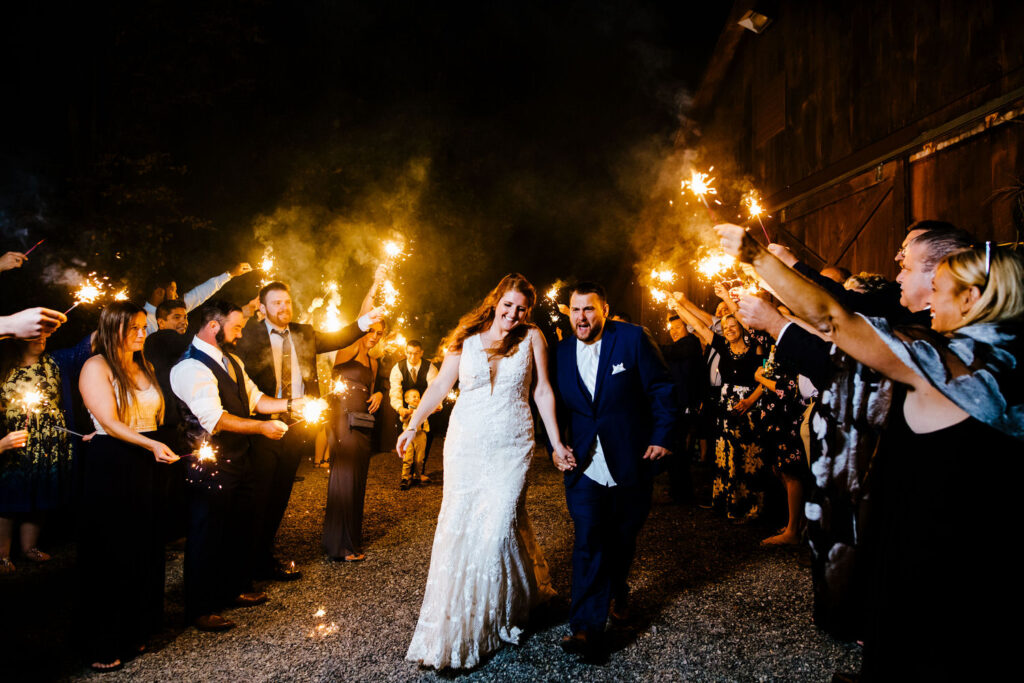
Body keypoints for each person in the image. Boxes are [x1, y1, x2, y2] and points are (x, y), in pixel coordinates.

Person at [717, 224, 1024, 680]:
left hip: (931, 545)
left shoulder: (944, 364)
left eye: (939, 289)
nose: (930, 301)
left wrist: (756, 256)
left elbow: (835, 321)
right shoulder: (1007, 358)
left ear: (971, 298)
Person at [398, 273, 569, 669]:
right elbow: (440, 386)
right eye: (508, 305)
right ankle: (466, 621)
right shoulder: (466, 340)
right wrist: (412, 424)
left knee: (498, 528)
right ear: (496, 302)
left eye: (521, 309)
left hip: (513, 443)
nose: (513, 314)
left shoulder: (532, 338)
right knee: (462, 527)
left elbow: (543, 390)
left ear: (528, 311)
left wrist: (556, 442)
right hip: (466, 445)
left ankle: (503, 610)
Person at [551, 282, 676, 663]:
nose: (581, 318)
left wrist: (662, 435)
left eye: (589, 310)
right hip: (584, 465)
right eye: (575, 310)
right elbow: (552, 405)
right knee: (588, 540)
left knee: (622, 539)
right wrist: (555, 447)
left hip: (630, 459)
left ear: (605, 310)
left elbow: (662, 388)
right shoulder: (561, 352)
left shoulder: (634, 339)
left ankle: (618, 588)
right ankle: (586, 629)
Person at [234, 279, 381, 581]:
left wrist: (366, 321)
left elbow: (340, 338)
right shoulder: (247, 337)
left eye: (286, 302)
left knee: (279, 496)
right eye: (276, 303)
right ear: (262, 308)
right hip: (262, 426)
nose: (284, 307)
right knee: (257, 498)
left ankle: (264, 558)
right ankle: (242, 566)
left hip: (296, 427)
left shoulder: (304, 333)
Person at [170, 300, 303, 632]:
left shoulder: (232, 361)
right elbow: (214, 419)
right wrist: (263, 428)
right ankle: (199, 608)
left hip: (240, 458)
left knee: (237, 528)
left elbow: (255, 399)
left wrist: (291, 405)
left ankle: (231, 589)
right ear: (214, 326)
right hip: (208, 464)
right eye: (237, 327)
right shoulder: (190, 367)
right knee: (206, 532)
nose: (242, 334)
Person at [77, 302, 180, 672]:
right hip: (114, 463)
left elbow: (151, 415)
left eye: (143, 326)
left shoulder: (144, 365)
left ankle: (138, 626)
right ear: (113, 329)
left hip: (146, 463)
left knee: (145, 546)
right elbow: (109, 420)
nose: (142, 333)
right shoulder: (96, 366)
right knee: (112, 550)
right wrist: (149, 444)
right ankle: (104, 640)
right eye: (134, 328)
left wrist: (156, 444)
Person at [0, 336, 73, 573]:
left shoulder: (55, 361)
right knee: (9, 498)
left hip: (49, 442)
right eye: (34, 334)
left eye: (43, 334)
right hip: (14, 441)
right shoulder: (4, 367)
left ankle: (29, 547)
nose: (40, 338)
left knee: (41, 495)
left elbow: (85, 346)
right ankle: (2, 554)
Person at [322, 319, 388, 561]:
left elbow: (372, 388)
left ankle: (349, 541)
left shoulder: (374, 360)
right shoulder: (347, 350)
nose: (375, 336)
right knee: (345, 476)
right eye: (371, 330)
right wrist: (374, 287)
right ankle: (341, 546)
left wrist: (380, 393)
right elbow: (362, 316)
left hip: (363, 423)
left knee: (357, 480)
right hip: (342, 419)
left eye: (380, 333)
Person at [142, 262, 251, 333]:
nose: (176, 295)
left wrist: (230, 274)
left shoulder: (177, 308)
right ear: (159, 292)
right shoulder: (144, 320)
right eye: (173, 290)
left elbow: (200, 293)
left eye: (183, 317)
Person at [388, 338, 438, 485]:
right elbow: (395, 391)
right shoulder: (398, 368)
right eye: (409, 353)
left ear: (421, 353)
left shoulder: (430, 368)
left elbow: (435, 388)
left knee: (424, 442)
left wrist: (436, 405)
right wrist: (399, 408)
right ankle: (406, 474)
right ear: (405, 352)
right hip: (406, 412)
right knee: (406, 444)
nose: (412, 357)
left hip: (427, 410)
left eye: (416, 354)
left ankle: (420, 472)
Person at [397, 388, 428, 490]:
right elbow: (403, 418)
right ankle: (405, 478)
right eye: (414, 396)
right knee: (408, 458)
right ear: (407, 400)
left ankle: (418, 477)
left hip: (421, 435)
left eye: (418, 397)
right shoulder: (406, 411)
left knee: (419, 459)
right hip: (408, 437)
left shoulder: (423, 408)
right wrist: (406, 414)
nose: (417, 398)